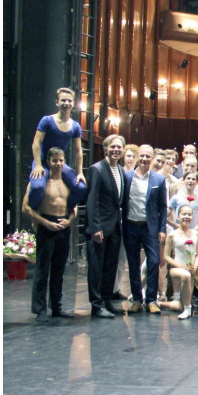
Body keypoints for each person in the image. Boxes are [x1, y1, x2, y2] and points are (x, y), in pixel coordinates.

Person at [22, 147, 77, 321]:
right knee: (42, 270)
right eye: (55, 160)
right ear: (48, 161)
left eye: (61, 160)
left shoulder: (68, 182)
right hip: (46, 226)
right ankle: (40, 310)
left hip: (64, 226)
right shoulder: (39, 181)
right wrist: (45, 223)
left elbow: (73, 206)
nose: (58, 163)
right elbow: (25, 208)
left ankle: (57, 307)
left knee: (59, 270)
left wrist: (69, 220)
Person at [86, 134, 128, 318]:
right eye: (113, 147)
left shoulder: (121, 170)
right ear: (105, 149)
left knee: (110, 267)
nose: (116, 150)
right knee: (96, 268)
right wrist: (95, 227)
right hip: (100, 228)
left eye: (119, 147)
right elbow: (92, 200)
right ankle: (96, 305)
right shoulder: (97, 169)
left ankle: (107, 301)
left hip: (115, 228)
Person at [122, 145, 168, 314]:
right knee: (133, 263)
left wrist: (162, 229)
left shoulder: (159, 180)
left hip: (150, 228)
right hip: (130, 225)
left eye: (148, 156)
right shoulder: (127, 177)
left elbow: (163, 207)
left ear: (152, 158)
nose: (144, 159)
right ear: (137, 156)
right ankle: (136, 299)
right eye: (142, 156)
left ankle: (151, 300)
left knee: (154, 262)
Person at [27, 88, 86, 212]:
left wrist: (80, 172)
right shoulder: (47, 120)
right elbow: (36, 143)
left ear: (73, 104)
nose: (66, 103)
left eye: (69, 101)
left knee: (81, 188)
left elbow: (78, 150)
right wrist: (38, 165)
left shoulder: (75, 126)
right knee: (37, 187)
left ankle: (65, 211)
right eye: (63, 100)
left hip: (59, 163)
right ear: (57, 102)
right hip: (43, 161)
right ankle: (33, 212)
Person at [157, 205, 198, 319]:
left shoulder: (196, 234)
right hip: (176, 268)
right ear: (178, 216)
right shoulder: (172, 235)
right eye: (184, 214)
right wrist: (181, 266)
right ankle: (188, 309)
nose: (186, 216)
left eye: (189, 214)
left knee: (182, 304)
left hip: (191, 269)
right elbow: (166, 256)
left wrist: (195, 266)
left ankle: (159, 303)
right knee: (186, 275)